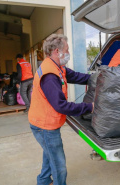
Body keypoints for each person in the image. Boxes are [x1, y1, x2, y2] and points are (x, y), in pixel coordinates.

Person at [28, 34, 94, 185]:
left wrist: (96, 77)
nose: (69, 52)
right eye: (67, 49)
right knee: (59, 164)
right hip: (43, 125)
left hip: (44, 122)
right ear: (57, 51)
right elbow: (61, 106)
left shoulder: (57, 67)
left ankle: (44, 181)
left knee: (49, 153)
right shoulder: (49, 75)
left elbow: (76, 76)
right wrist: (89, 107)